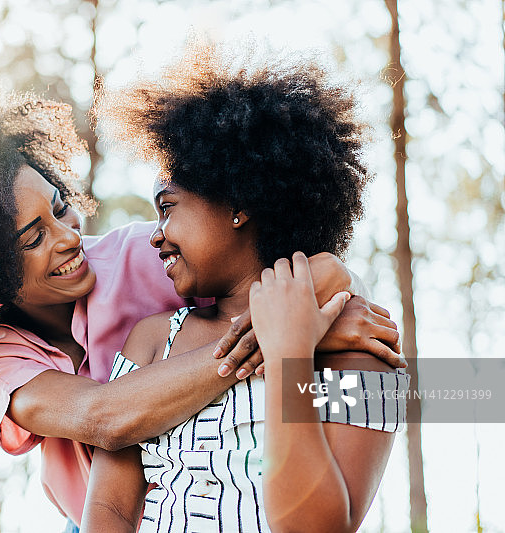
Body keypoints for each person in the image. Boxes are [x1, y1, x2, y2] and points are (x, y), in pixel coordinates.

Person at [0, 76, 404, 530]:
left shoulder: (136, 255)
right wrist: (276, 338)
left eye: (59, 205)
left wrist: (303, 322)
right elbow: (107, 420)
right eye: (33, 236)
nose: (70, 238)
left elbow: (299, 264)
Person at [80, 47, 408, 532]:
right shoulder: (151, 341)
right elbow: (109, 507)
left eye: (168, 207)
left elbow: (318, 527)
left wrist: (288, 352)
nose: (156, 233)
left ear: (239, 203)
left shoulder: (362, 347)